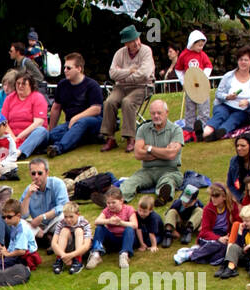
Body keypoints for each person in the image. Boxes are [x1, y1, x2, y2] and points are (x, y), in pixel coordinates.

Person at [101, 25, 155, 153]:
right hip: (121, 87)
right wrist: (130, 71)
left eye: (137, 39)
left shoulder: (146, 51)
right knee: (109, 102)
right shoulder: (120, 53)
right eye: (132, 41)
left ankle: (131, 138)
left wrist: (123, 76)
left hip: (143, 86)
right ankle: (110, 138)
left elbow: (144, 74)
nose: (136, 43)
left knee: (128, 102)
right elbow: (112, 73)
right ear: (126, 43)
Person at [119, 99, 183, 204]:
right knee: (131, 181)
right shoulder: (143, 129)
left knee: (167, 181)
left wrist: (149, 148)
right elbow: (138, 154)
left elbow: (171, 154)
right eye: (153, 113)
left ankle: (163, 197)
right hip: (147, 170)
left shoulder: (176, 130)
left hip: (170, 170)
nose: (156, 116)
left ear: (166, 113)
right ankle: (117, 200)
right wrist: (163, 152)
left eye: (159, 113)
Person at [46, 53, 104, 156]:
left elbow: (96, 109)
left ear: (79, 68)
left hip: (92, 121)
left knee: (82, 122)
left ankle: (59, 148)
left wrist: (76, 118)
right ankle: (81, 139)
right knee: (53, 136)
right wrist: (51, 130)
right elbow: (56, 108)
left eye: (69, 68)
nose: (65, 71)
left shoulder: (92, 85)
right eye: (64, 68)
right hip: (71, 123)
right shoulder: (62, 85)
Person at [205, 47, 250, 140]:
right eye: (241, 59)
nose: (243, 62)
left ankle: (219, 133)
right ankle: (205, 133)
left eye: (246, 60)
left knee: (235, 119)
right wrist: (227, 97)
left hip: (243, 110)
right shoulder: (228, 76)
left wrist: (248, 102)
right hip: (225, 105)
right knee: (220, 115)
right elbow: (218, 93)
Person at [177, 182, 238, 266]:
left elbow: (237, 223)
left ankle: (200, 254)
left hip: (224, 236)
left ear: (224, 197)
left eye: (216, 196)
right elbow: (205, 232)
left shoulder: (232, 207)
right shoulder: (208, 209)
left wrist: (229, 237)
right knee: (216, 245)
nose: (213, 198)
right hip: (208, 236)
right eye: (211, 195)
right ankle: (190, 254)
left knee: (221, 253)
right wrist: (218, 238)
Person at [171, 30, 214, 136]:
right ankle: (189, 127)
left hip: (202, 86)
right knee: (190, 107)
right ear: (192, 43)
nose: (201, 48)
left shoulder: (202, 55)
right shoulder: (184, 55)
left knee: (203, 107)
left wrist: (203, 77)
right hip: (190, 85)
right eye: (199, 45)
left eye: (202, 45)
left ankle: (203, 126)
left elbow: (209, 66)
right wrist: (183, 81)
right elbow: (178, 69)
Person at [85, 186, 138, 269]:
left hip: (127, 239)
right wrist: (109, 221)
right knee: (99, 228)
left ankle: (124, 255)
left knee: (129, 229)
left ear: (121, 201)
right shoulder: (107, 210)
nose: (110, 205)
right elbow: (96, 221)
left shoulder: (128, 209)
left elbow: (135, 224)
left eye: (113, 203)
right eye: (108, 203)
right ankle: (96, 254)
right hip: (112, 240)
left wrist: (121, 223)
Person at [20, 155, 68, 244]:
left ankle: (44, 238)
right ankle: (44, 237)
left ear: (47, 173)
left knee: (63, 217)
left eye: (40, 173)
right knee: (18, 222)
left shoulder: (57, 183)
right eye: (33, 173)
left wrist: (42, 217)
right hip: (38, 226)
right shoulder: (28, 189)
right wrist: (27, 197)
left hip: (54, 221)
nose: (36, 176)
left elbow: (63, 206)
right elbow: (23, 215)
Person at [2, 70, 49, 157]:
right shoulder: (9, 98)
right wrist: (13, 138)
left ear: (30, 85)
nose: (20, 86)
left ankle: (18, 153)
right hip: (12, 135)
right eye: (18, 83)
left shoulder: (38, 98)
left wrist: (20, 136)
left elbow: (38, 123)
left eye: (24, 84)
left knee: (41, 131)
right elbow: (3, 121)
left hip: (31, 135)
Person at [50, 200, 93, 274]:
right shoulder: (61, 223)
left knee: (78, 230)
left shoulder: (84, 223)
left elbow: (86, 245)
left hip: (81, 250)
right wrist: (63, 255)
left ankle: (78, 261)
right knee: (64, 230)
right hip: (66, 250)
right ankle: (59, 260)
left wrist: (71, 255)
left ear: (78, 214)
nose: (68, 220)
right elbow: (54, 243)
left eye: (71, 217)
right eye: (66, 217)